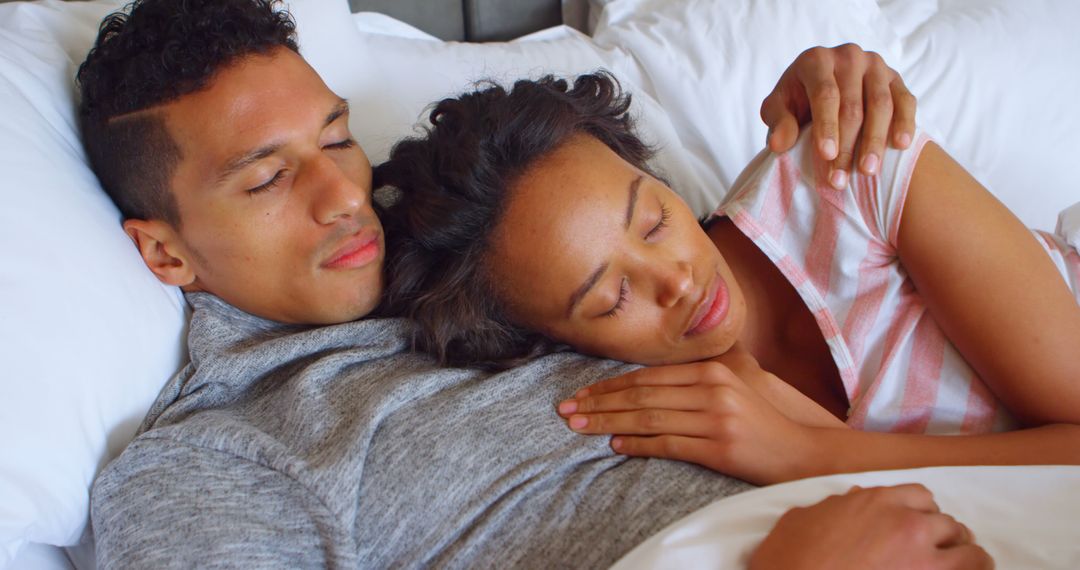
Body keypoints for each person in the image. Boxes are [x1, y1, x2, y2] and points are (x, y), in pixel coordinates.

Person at [77, 0, 990, 568]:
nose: (340, 199)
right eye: (268, 179)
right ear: (165, 254)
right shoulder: (214, 459)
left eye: (336, 139)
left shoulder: (473, 246)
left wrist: (835, 89)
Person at [376, 72, 1080, 486]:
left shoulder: (850, 173)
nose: (676, 281)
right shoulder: (658, 413)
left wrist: (812, 453)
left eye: (653, 220)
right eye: (611, 297)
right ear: (547, 341)